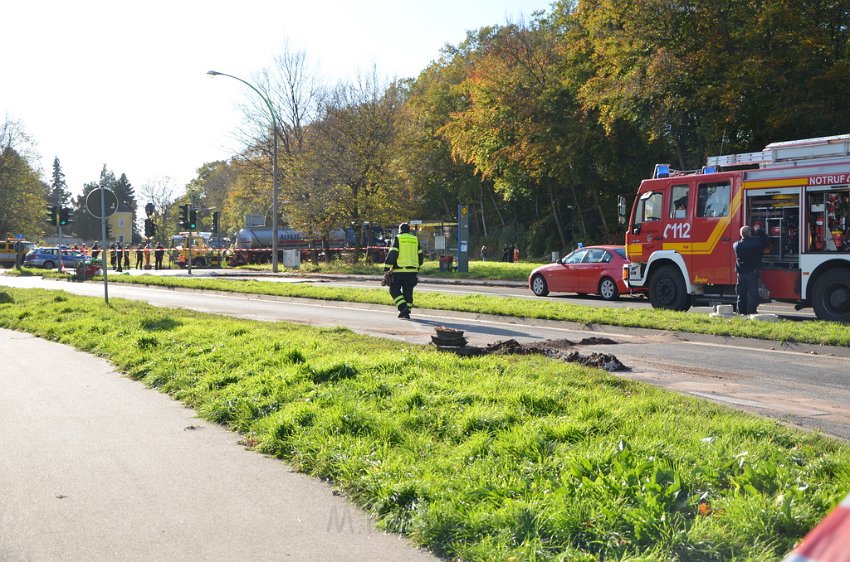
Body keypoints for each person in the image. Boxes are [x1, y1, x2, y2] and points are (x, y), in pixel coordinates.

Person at [383, 222, 424, 319]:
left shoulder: (398, 238)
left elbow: (393, 254)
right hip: (412, 271)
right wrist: (417, 266)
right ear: (409, 230)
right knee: (408, 291)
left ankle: (403, 307)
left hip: (399, 270)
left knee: (393, 289)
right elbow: (420, 256)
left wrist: (386, 268)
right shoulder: (415, 239)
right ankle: (407, 311)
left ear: (400, 230)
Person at [733, 225, 769, 315]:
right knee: (752, 294)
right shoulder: (755, 244)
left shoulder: (736, 245)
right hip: (751, 273)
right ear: (750, 233)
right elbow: (765, 241)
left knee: (741, 294)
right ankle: (752, 312)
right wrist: (759, 230)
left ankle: (741, 313)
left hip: (740, 274)